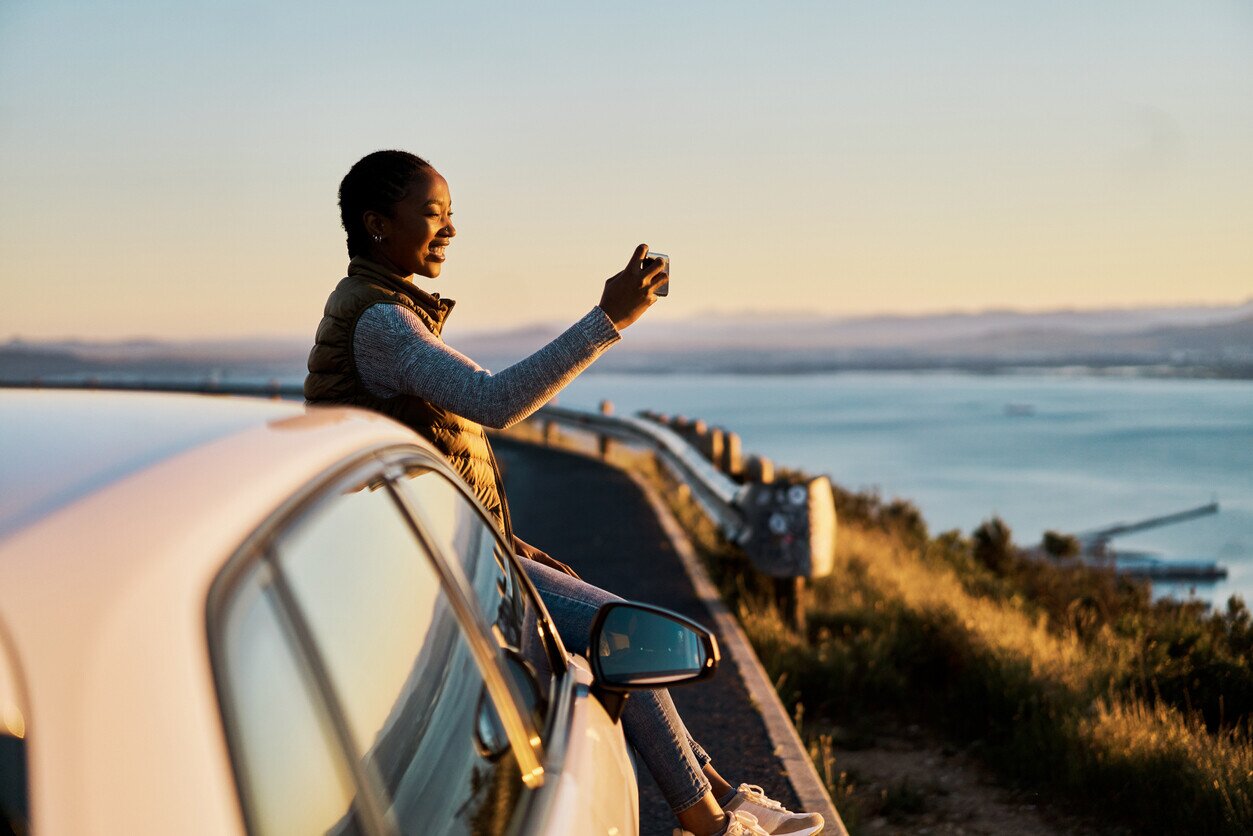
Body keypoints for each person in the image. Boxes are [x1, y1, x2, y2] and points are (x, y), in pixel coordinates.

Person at [305, 149, 824, 836]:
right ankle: (707, 821)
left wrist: (496, 535)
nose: (451, 231)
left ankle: (724, 797)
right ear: (376, 223)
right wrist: (608, 318)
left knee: (594, 617)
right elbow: (493, 400)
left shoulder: (385, 311)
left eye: (452, 215)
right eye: (433, 215)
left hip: (442, 546)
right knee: (622, 631)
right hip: (423, 562)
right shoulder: (380, 324)